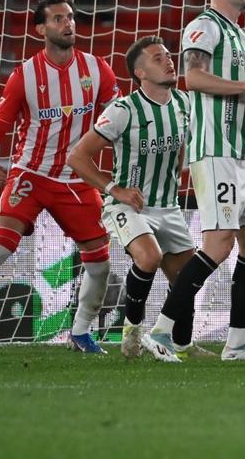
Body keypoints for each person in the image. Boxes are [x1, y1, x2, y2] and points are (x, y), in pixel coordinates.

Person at [147, 0, 245, 362]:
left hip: (242, 156)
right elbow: (194, 78)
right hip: (215, 150)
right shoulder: (204, 26)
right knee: (219, 244)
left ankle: (237, 343)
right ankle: (162, 331)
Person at [0, 0, 120, 354]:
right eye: (59, 18)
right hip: (31, 173)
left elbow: (119, 120)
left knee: (101, 262)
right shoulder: (25, 76)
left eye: (71, 18)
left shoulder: (98, 70)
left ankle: (79, 333)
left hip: (77, 180)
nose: (68, 24)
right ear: (40, 29)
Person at [67, 36, 196, 364]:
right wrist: (114, 189)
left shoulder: (184, 104)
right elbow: (78, 157)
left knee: (187, 281)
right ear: (140, 72)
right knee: (149, 257)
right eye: (157, 58)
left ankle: (179, 342)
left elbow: (182, 151)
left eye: (168, 55)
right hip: (128, 204)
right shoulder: (123, 110)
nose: (169, 61)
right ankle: (133, 331)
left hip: (168, 206)